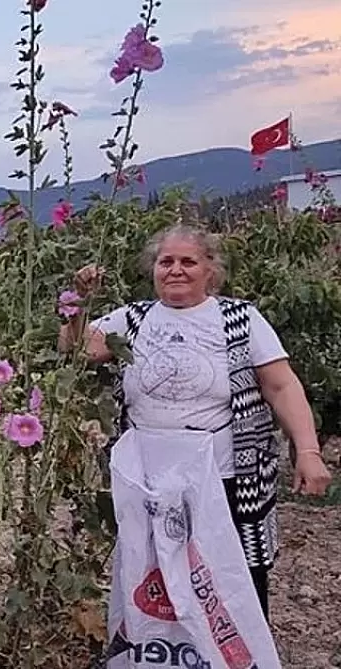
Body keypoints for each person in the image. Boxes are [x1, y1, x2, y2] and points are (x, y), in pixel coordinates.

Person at [58, 222, 332, 621]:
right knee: (154, 576)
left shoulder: (240, 319)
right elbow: (76, 349)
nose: (176, 269)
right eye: (165, 261)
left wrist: (308, 450)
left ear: (210, 270)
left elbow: (281, 386)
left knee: (231, 575)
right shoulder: (133, 319)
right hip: (149, 479)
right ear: (153, 270)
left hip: (224, 479)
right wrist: (79, 303)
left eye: (188, 261)